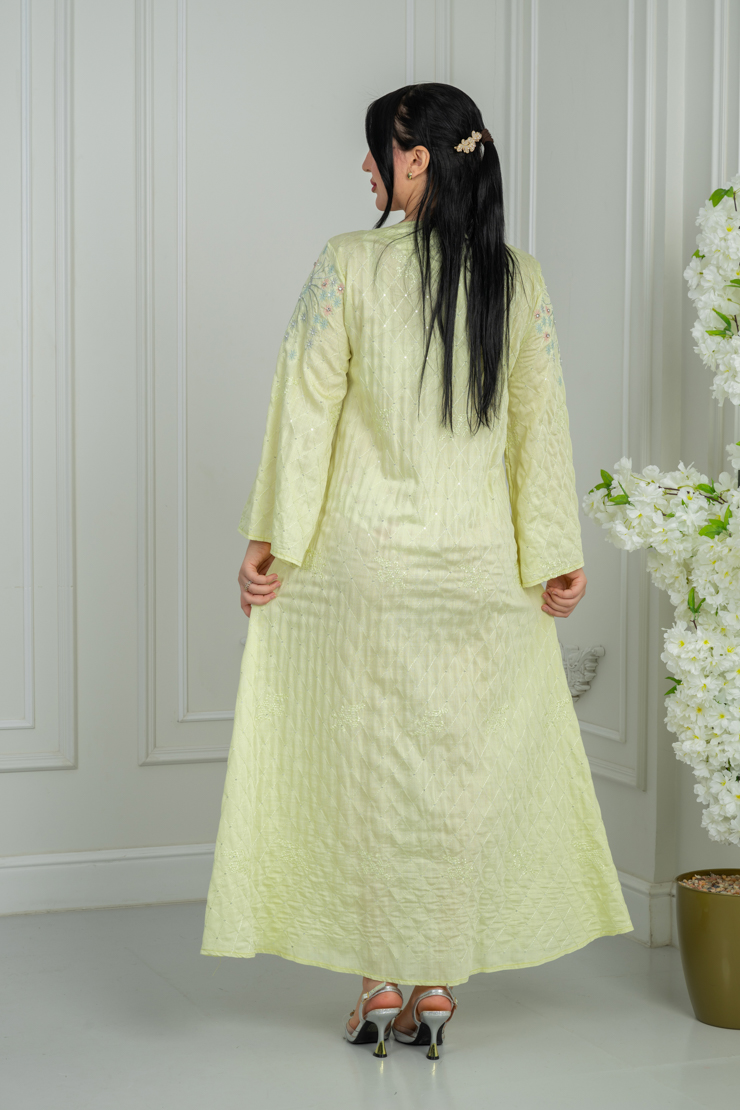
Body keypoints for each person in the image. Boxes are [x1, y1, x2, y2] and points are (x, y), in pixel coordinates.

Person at [200, 82, 633, 1060]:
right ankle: (434, 980)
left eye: (376, 150)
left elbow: (304, 411)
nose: (365, 165)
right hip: (480, 567)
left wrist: (270, 538)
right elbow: (540, 430)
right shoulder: (519, 279)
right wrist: (555, 554)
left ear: (418, 160)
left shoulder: (347, 264)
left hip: (364, 564)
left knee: (365, 768)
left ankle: (377, 981)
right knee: (454, 770)